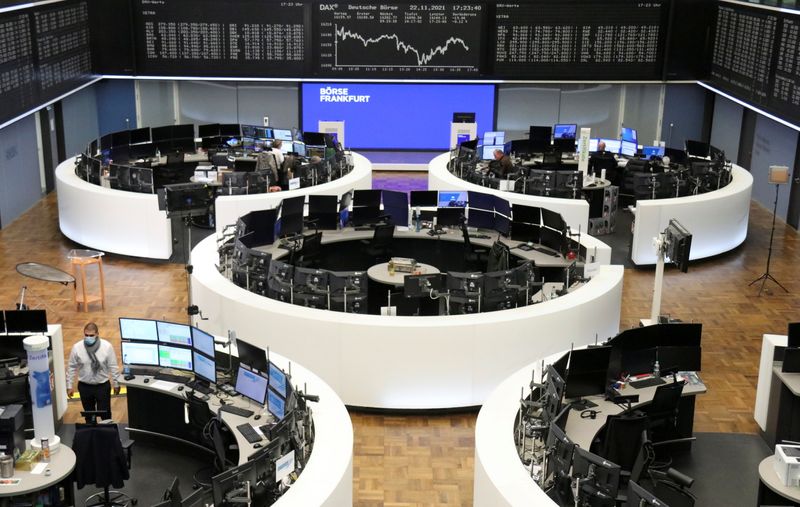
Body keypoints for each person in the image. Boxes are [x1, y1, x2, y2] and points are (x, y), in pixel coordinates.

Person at [66, 322, 121, 420]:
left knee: (105, 415)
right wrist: (69, 386)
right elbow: (71, 367)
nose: (88, 337)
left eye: (91, 335)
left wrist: (116, 384)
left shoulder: (107, 347)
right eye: (86, 335)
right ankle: (91, 434)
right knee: (89, 417)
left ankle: (106, 434)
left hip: (102, 386)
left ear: (97, 334)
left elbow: (113, 367)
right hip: (84, 386)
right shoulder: (77, 348)